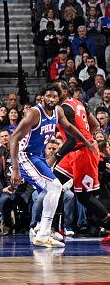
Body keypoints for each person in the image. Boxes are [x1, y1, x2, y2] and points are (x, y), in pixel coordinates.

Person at [10, 83, 94, 248]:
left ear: (58, 98)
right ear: (42, 97)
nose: (51, 99)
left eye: (54, 96)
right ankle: (43, 232)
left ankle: (43, 229)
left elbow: (70, 127)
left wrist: (86, 141)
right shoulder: (34, 113)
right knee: (55, 187)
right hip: (25, 156)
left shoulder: (58, 111)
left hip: (39, 157)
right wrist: (15, 168)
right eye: (48, 96)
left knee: (55, 190)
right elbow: (14, 138)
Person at [53, 80, 110, 240]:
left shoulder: (65, 107)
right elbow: (96, 124)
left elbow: (73, 137)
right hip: (74, 151)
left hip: (83, 152)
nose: (54, 95)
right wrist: (86, 136)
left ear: (64, 90)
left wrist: (85, 140)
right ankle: (52, 229)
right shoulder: (79, 103)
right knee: (53, 184)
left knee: (84, 197)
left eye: (56, 91)